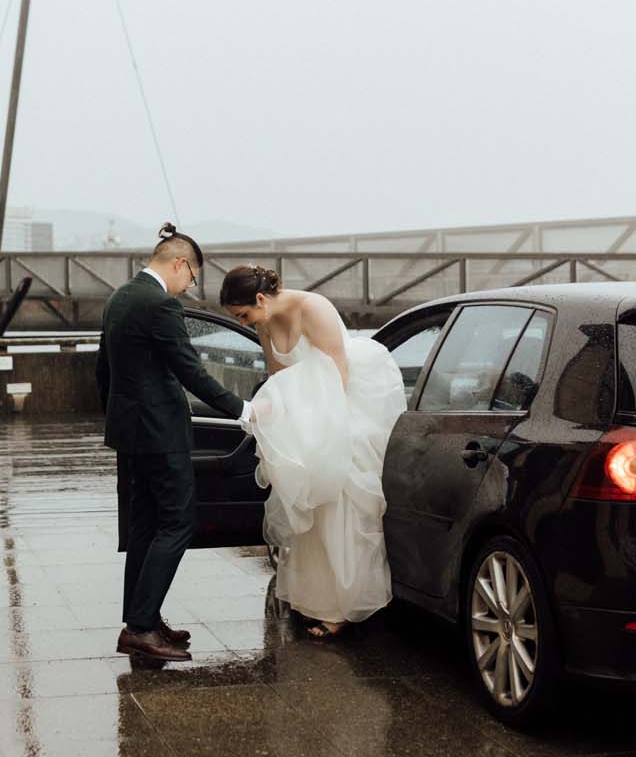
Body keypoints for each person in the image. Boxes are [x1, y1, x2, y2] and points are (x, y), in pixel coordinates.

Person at [220, 264, 405, 639]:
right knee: (309, 512)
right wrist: (271, 418)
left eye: (243, 314)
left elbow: (339, 375)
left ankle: (344, 607)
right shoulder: (265, 321)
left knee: (342, 509)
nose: (244, 321)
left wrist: (321, 432)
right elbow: (278, 379)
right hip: (305, 418)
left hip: (341, 413)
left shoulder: (314, 308)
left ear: (259, 299)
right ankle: (319, 601)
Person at [96, 224, 253, 663]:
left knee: (145, 527)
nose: (190, 287)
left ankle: (141, 617)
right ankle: (141, 629)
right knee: (177, 524)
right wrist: (241, 409)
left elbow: (102, 372)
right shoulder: (161, 304)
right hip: (161, 435)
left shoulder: (119, 298)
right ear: (181, 263)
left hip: (129, 433)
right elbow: (191, 371)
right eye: (193, 277)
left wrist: (118, 419)